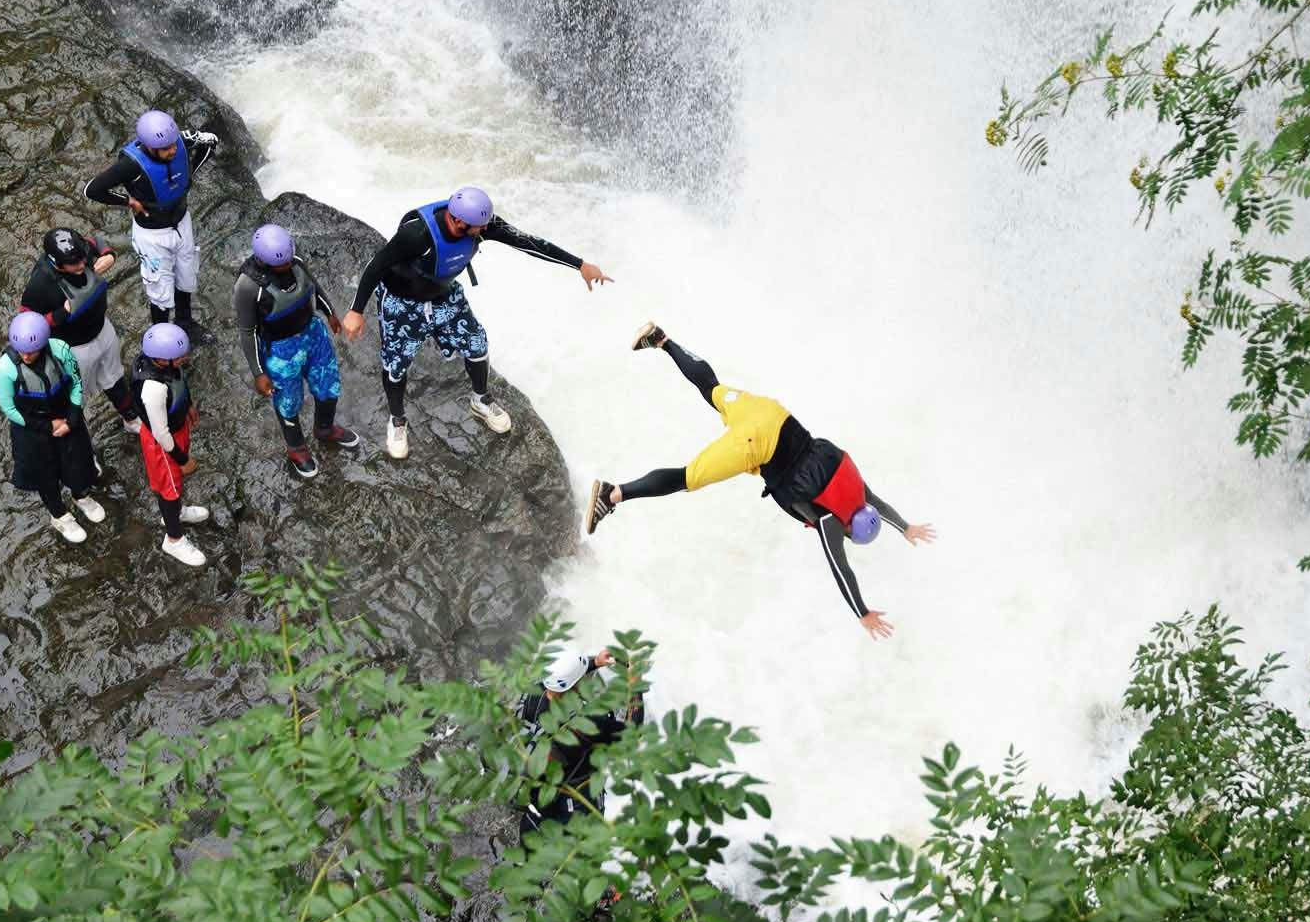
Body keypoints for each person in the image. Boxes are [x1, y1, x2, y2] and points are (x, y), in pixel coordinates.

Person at [585, 324, 937, 640]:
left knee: (713, 389)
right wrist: (862, 612)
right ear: (849, 530)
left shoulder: (858, 489)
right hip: (755, 446)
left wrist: (904, 527)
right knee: (686, 478)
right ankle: (612, 494)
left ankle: (660, 339)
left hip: (772, 414)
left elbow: (880, 505)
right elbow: (840, 568)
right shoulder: (831, 520)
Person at [339, 186, 612, 459]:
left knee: (477, 344)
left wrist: (579, 265)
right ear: (458, 221)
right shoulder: (416, 234)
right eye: (479, 228)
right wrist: (356, 310)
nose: (485, 231)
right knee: (396, 365)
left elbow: (527, 242)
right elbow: (377, 264)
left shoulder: (479, 223)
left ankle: (480, 400)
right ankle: (398, 420)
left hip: (443, 295)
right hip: (403, 302)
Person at [232, 223, 359, 479]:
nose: (288, 266)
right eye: (281, 265)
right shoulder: (248, 287)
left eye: (289, 260)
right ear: (264, 262)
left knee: (329, 385)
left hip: (312, 332)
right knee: (289, 401)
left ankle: (324, 428)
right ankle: (296, 447)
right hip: (281, 349)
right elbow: (248, 332)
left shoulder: (294, 258)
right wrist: (258, 372)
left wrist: (329, 312)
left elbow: (313, 286)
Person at [82, 109, 219, 344]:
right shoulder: (131, 165)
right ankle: (162, 336)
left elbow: (210, 141)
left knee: (186, 275)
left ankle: (185, 323)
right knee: (160, 288)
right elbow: (92, 189)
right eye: (165, 149)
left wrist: (190, 173)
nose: (172, 150)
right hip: (152, 235)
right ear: (149, 146)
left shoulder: (180, 141)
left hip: (181, 223)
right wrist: (128, 201)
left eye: (173, 145)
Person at [0, 312, 105, 543]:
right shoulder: (5, 370)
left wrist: (72, 418)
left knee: (78, 460)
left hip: (64, 414)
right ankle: (59, 515)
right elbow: (10, 409)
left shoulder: (61, 351)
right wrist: (46, 426)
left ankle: (80, 494)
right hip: (31, 428)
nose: (26, 355)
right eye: (21, 350)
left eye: (31, 351)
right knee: (45, 475)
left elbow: (76, 384)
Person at [19, 227, 142, 437]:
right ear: (56, 263)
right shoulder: (40, 284)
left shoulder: (80, 250)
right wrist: (60, 314)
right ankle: (83, 448)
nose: (82, 265)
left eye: (82, 260)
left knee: (114, 379)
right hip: (73, 349)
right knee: (75, 400)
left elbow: (97, 240)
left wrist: (109, 255)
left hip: (102, 330)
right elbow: (26, 324)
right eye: (74, 264)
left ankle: (131, 419)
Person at [516, 648, 644, 839]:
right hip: (573, 804)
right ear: (578, 685)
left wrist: (595, 663)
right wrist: (635, 688)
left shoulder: (534, 694)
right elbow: (632, 731)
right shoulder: (587, 723)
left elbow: (563, 681)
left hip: (536, 804)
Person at [131, 322, 209, 567]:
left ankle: (174, 513)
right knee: (169, 489)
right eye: (180, 356)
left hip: (177, 428)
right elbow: (161, 434)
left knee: (174, 487)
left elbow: (180, 381)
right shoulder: (152, 388)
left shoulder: (166, 364)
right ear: (161, 360)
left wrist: (188, 405)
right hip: (163, 444)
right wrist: (184, 461)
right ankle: (174, 538)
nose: (185, 358)